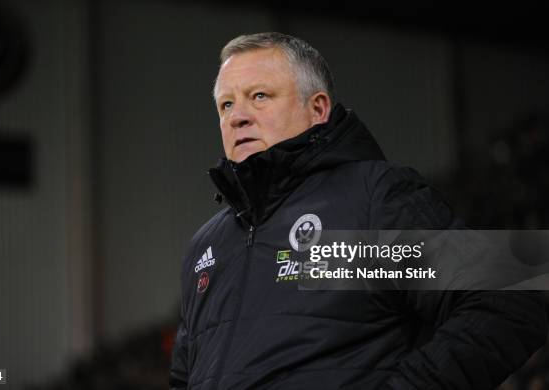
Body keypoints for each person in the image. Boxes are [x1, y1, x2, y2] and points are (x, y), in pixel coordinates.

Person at [169, 32, 547, 389]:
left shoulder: (366, 202)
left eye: (260, 96)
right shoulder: (207, 248)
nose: (237, 116)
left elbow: (509, 293)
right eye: (227, 104)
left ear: (317, 108)